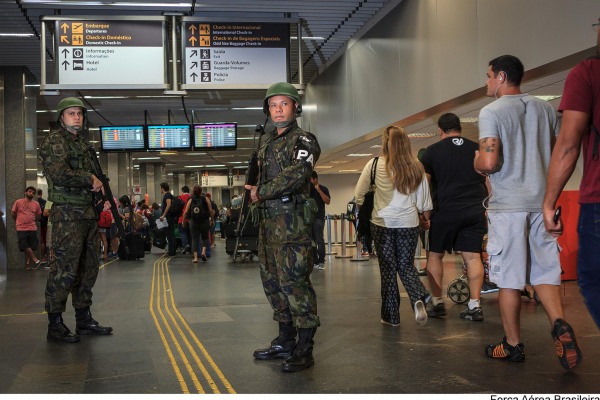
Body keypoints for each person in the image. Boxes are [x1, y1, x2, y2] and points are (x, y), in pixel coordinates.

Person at [474, 55, 582, 369]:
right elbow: (558, 148)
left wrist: (477, 161)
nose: (487, 81)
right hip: (542, 204)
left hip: (508, 207)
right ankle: (560, 323)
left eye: (489, 75)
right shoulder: (544, 108)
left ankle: (511, 345)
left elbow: (489, 162)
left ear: (501, 76)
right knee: (546, 273)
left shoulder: (491, 111)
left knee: (508, 279)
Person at [244, 82, 321, 372]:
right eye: (273, 105)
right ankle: (285, 340)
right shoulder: (267, 145)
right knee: (273, 284)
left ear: (295, 107)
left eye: (283, 104)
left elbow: (298, 172)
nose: (278, 109)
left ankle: (305, 347)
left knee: (295, 284)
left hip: (291, 227)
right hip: (268, 227)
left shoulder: (304, 141)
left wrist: (261, 191)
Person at [38, 97, 113, 343]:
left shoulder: (82, 143)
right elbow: (58, 174)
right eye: (71, 113)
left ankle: (83, 318)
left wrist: (103, 198)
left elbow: (96, 176)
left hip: (87, 214)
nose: (76, 117)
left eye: (79, 113)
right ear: (62, 117)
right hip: (68, 214)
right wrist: (88, 178)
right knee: (64, 269)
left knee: (88, 267)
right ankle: (55, 323)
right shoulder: (54, 141)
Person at [543, 18, 600, 329]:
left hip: (599, 198)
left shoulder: (588, 72)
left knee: (593, 282)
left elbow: (568, 145)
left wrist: (549, 203)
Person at [355, 126, 432, 328]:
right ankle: (418, 296)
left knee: (388, 270)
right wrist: (424, 219)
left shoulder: (373, 165)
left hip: (382, 224)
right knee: (406, 265)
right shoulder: (417, 167)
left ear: (385, 142)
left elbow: (359, 195)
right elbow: (425, 203)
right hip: (408, 224)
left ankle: (391, 317)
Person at [421, 113, 487, 321]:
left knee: (435, 255)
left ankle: (437, 302)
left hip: (445, 211)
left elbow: (425, 186)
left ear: (440, 130)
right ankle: (474, 305)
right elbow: (487, 179)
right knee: (473, 257)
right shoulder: (476, 148)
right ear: (459, 127)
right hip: (473, 209)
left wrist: (424, 215)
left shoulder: (431, 152)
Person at [12, 186, 46, 270]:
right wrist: (19, 220)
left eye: (33, 193)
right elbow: (13, 213)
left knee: (30, 246)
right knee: (24, 245)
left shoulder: (36, 204)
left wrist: (32, 221)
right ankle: (36, 260)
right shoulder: (18, 202)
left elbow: (38, 216)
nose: (31, 193)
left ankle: (28, 265)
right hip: (21, 227)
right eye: (30, 191)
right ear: (25, 192)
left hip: (32, 228)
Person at [182, 184, 213, 263]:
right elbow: (210, 210)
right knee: (205, 237)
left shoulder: (191, 199)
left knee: (195, 239)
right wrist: (212, 219)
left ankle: (195, 258)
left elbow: (186, 212)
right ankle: (203, 252)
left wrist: (183, 221)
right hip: (204, 221)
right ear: (201, 191)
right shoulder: (205, 198)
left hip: (193, 222)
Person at [309, 171, 330, 270]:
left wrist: (319, 191)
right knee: (311, 241)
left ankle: (321, 261)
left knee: (319, 240)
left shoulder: (323, 188)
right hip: (308, 219)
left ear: (315, 179)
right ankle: (314, 260)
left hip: (318, 218)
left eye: (310, 180)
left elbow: (327, 201)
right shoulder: (307, 190)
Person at [159, 182, 177, 257]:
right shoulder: (167, 195)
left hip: (168, 218)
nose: (160, 189)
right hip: (168, 217)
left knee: (170, 234)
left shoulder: (167, 195)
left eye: (160, 188)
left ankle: (171, 251)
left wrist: (163, 215)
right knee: (169, 234)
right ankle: (171, 250)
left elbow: (168, 204)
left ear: (162, 188)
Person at [36, 188, 49, 262]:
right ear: (41, 193)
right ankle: (44, 257)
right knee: (44, 241)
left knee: (39, 241)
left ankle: (38, 257)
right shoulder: (46, 202)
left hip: (34, 224)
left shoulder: (33, 202)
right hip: (44, 224)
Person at [178, 186, 192, 254]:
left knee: (182, 232)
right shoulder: (192, 197)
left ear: (182, 191)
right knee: (190, 233)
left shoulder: (180, 197)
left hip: (181, 218)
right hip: (190, 219)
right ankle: (191, 247)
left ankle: (186, 245)